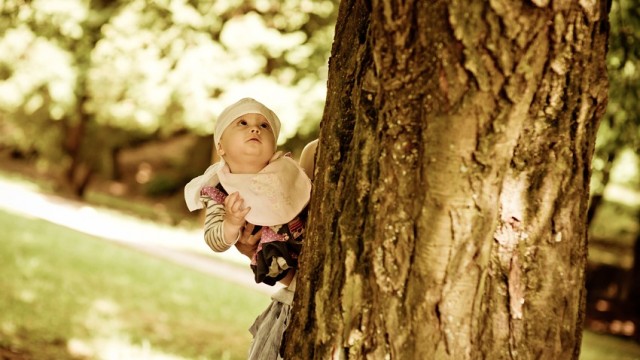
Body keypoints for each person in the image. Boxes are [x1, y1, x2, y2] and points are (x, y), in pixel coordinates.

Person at [184, 97, 315, 359]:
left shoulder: (287, 174)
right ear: (220, 147)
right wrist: (232, 225)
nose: (255, 129)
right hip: (286, 274)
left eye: (264, 126)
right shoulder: (220, 191)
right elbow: (215, 239)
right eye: (242, 123)